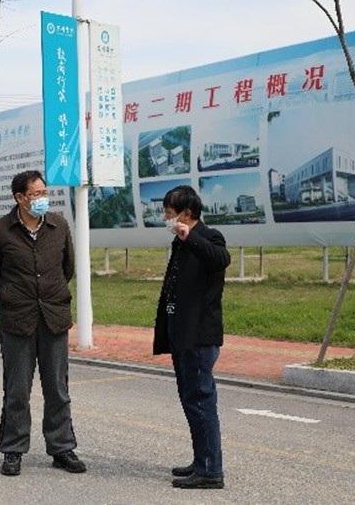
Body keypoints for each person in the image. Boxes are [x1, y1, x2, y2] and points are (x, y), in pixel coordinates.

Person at [0, 170, 86, 477]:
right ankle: (13, 449)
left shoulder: (58, 225)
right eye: (36, 194)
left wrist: (49, 294)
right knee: (17, 390)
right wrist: (12, 297)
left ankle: (62, 448)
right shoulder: (0, 231)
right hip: (18, 320)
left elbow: (67, 267)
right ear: (19, 198)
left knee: (57, 388)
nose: (42, 199)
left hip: (53, 317)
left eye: (44, 193)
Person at [153, 185, 230, 490]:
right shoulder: (180, 243)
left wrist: (191, 238)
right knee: (190, 400)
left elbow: (221, 259)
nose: (166, 219)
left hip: (199, 335)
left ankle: (211, 470)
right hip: (181, 332)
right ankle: (201, 461)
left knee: (200, 400)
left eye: (170, 213)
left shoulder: (209, 237)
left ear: (186, 214)